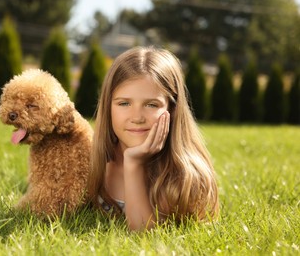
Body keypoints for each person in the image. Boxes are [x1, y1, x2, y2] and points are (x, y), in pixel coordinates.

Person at [87, 46, 219, 231]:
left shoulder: (182, 173)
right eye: (124, 103)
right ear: (108, 107)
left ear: (172, 109)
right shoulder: (91, 159)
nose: (137, 117)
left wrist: (133, 163)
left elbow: (143, 234)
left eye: (151, 104)